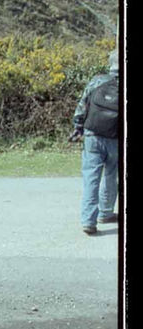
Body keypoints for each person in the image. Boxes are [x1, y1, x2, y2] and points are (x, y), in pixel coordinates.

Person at [70, 49, 120, 235]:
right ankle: (105, 212)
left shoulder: (97, 80)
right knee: (111, 174)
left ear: (110, 64)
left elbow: (82, 106)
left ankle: (88, 221)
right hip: (115, 138)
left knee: (91, 177)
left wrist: (78, 127)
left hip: (92, 135)